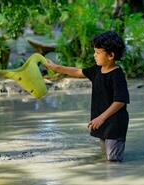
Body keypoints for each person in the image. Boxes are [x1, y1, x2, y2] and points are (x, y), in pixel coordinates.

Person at [44, 31, 130, 162]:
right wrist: (55, 67)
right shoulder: (96, 70)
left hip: (115, 124)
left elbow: (120, 101)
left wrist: (100, 118)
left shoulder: (117, 75)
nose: (94, 55)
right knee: (105, 157)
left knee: (113, 160)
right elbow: (77, 71)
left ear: (111, 55)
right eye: (94, 51)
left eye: (98, 52)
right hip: (102, 122)